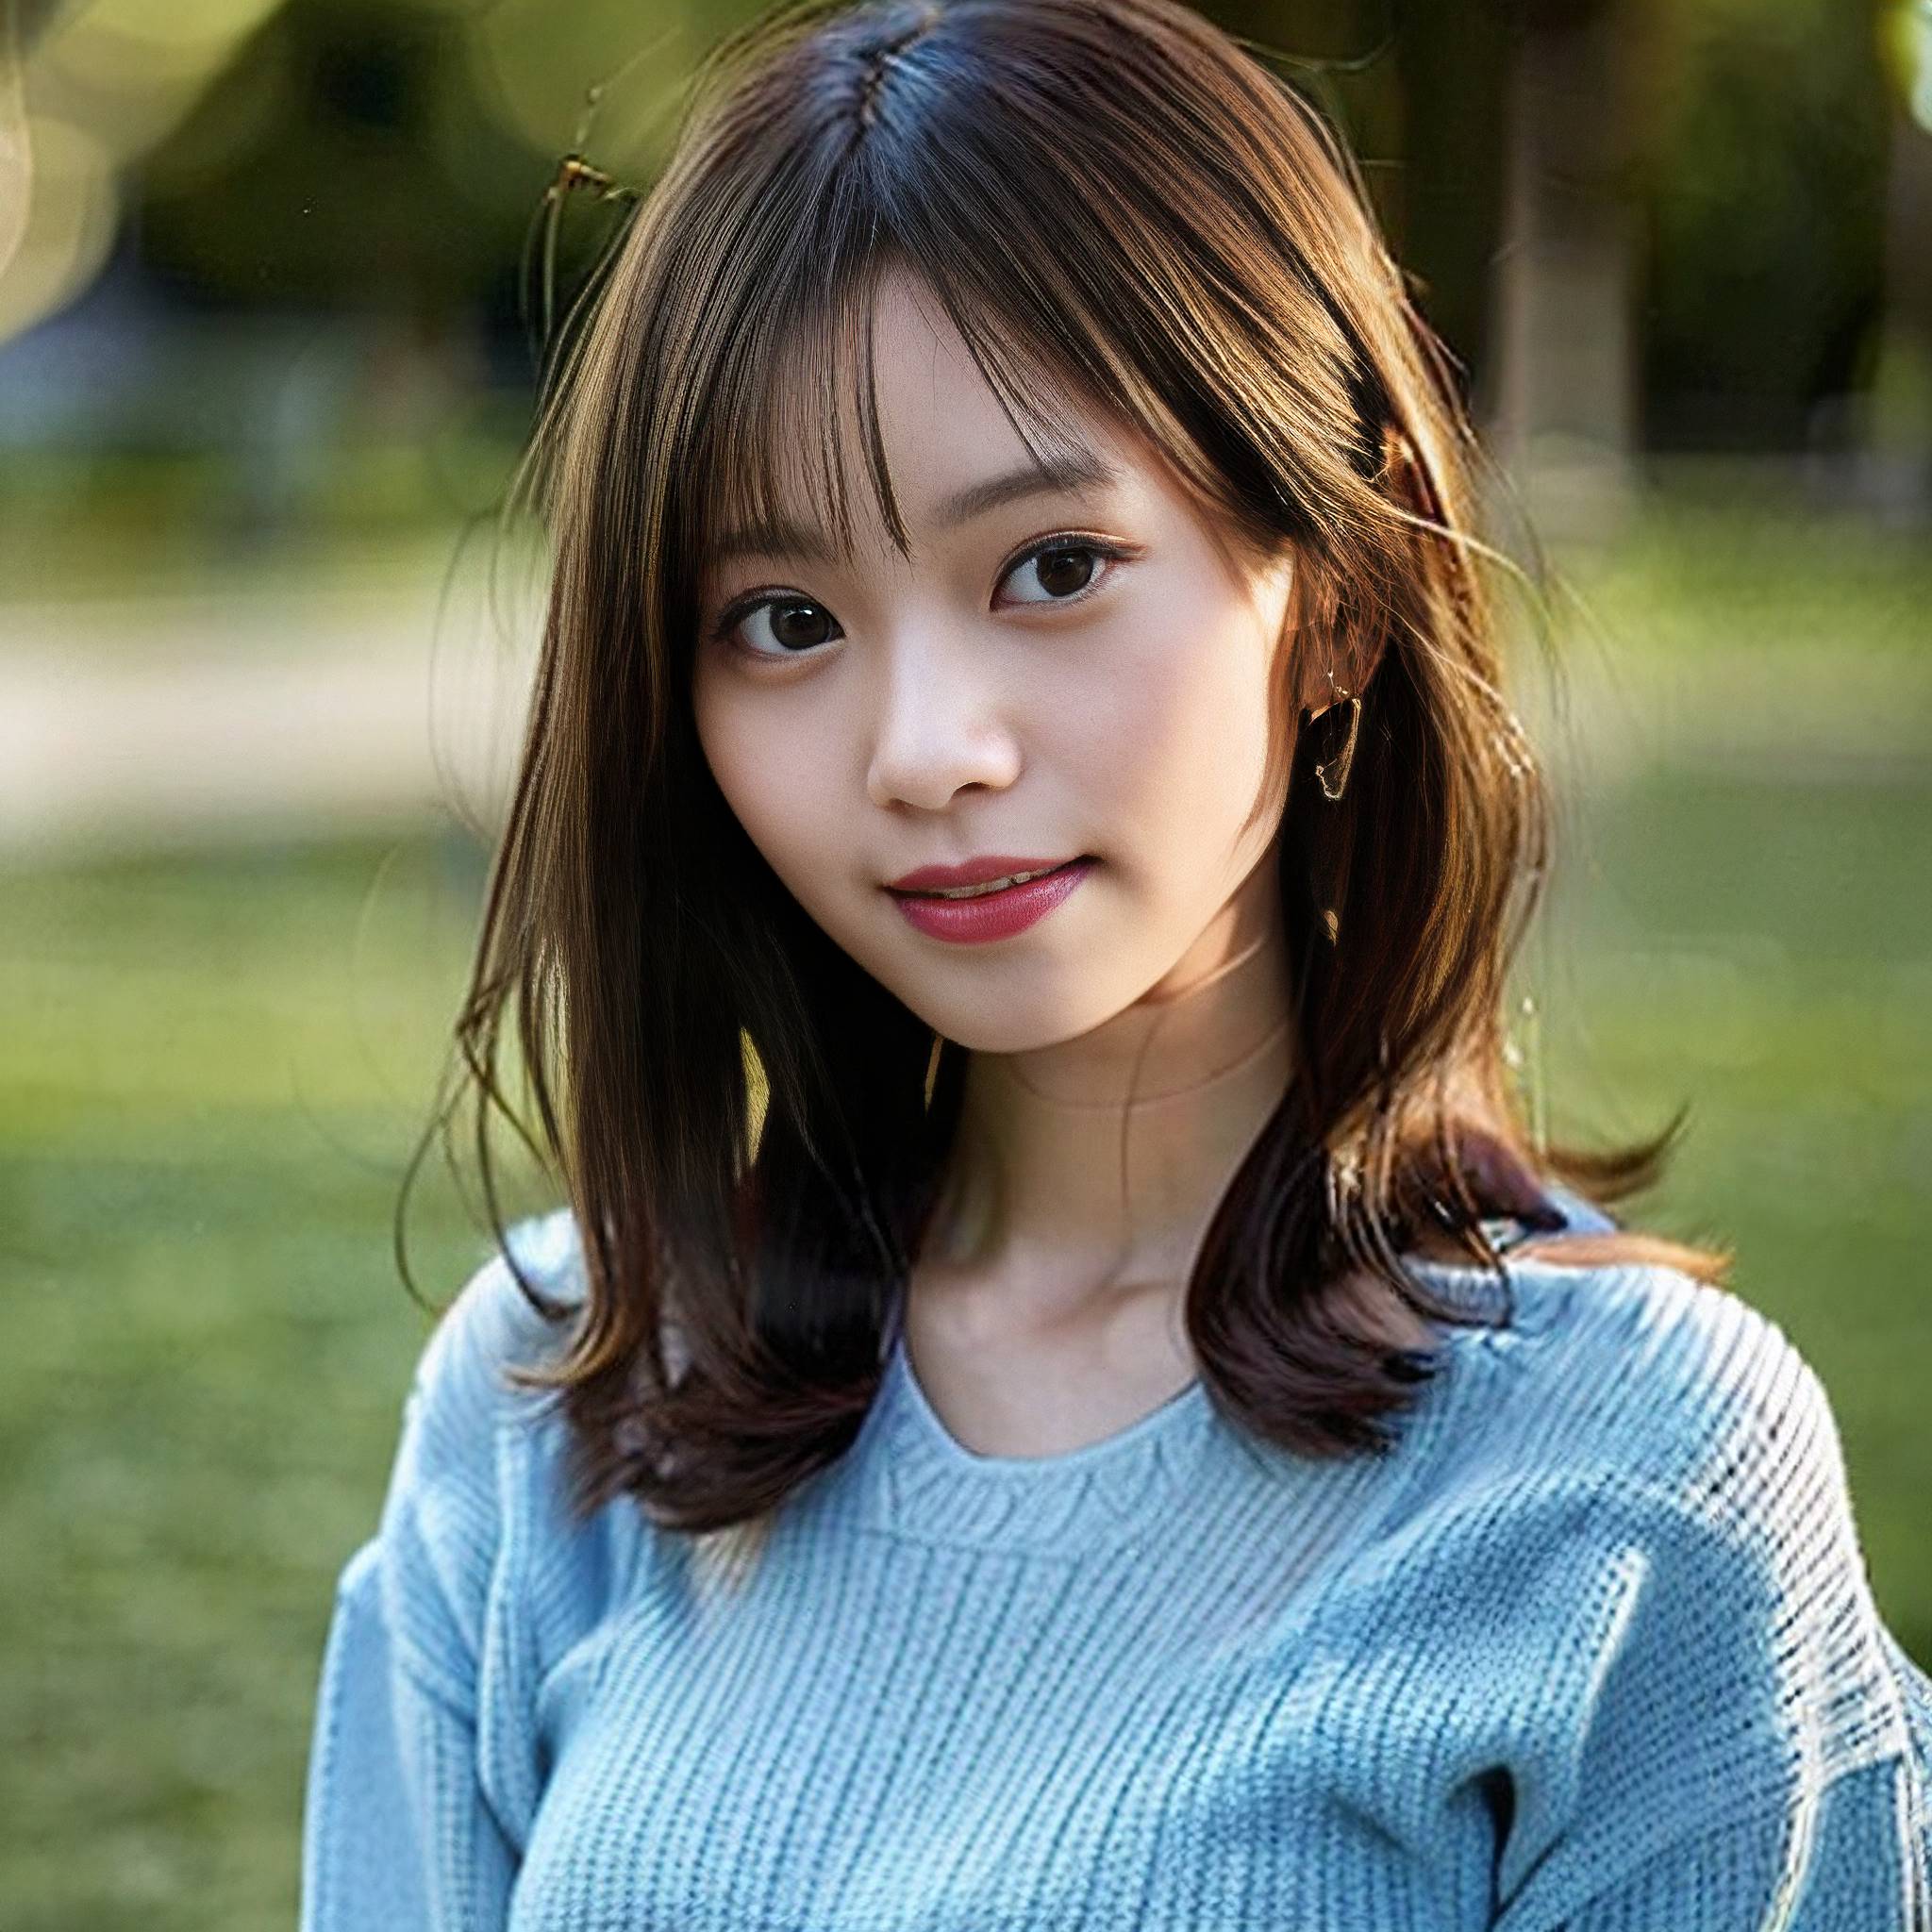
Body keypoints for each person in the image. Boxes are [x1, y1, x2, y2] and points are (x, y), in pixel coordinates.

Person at [299, 0, 1932, 1924]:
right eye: (785, 616)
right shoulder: (559, 1391)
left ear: (1330, 595)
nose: (925, 747)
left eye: (1053, 567)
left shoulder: (1630, 1473)